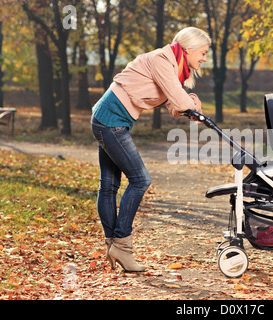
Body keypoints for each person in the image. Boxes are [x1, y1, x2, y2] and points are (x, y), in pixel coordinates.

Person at [91, 27, 211, 272]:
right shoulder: (161, 60)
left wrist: (189, 105)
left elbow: (174, 105)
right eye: (203, 52)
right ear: (188, 49)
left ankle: (113, 245)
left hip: (110, 119)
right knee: (140, 180)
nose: (205, 58)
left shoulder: (172, 67)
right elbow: (180, 101)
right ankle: (121, 246)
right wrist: (192, 104)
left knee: (110, 185)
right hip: (110, 120)